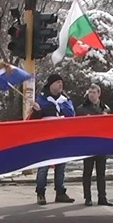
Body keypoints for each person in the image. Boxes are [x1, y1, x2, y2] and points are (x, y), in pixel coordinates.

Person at [30, 73, 76, 205]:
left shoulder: (65, 99)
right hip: (46, 138)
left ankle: (60, 192)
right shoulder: (41, 99)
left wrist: (63, 106)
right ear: (51, 84)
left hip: (61, 138)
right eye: (57, 82)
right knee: (43, 166)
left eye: (61, 82)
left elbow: (71, 115)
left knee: (61, 166)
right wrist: (37, 111)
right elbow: (34, 120)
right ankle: (40, 193)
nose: (60, 84)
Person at [76, 84, 113, 207]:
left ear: (99, 94)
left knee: (101, 173)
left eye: (94, 92)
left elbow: (110, 127)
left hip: (101, 144)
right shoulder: (81, 109)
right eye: (90, 92)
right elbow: (76, 127)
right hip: (88, 143)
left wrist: (106, 119)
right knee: (87, 172)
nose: (91, 94)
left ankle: (102, 197)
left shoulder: (106, 109)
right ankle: (88, 197)